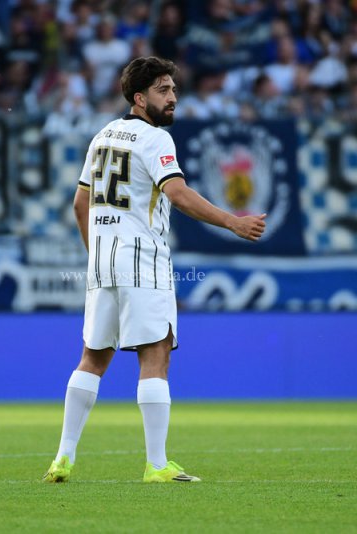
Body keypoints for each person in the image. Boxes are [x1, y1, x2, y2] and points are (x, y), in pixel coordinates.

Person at [43, 56, 266, 484]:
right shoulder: (156, 139)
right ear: (140, 98)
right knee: (156, 353)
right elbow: (177, 194)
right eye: (163, 90)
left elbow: (80, 204)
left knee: (92, 358)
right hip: (144, 261)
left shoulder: (103, 136)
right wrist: (233, 222)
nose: (173, 97)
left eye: (174, 89)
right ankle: (157, 465)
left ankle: (62, 458)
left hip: (102, 263)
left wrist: (97, 254)